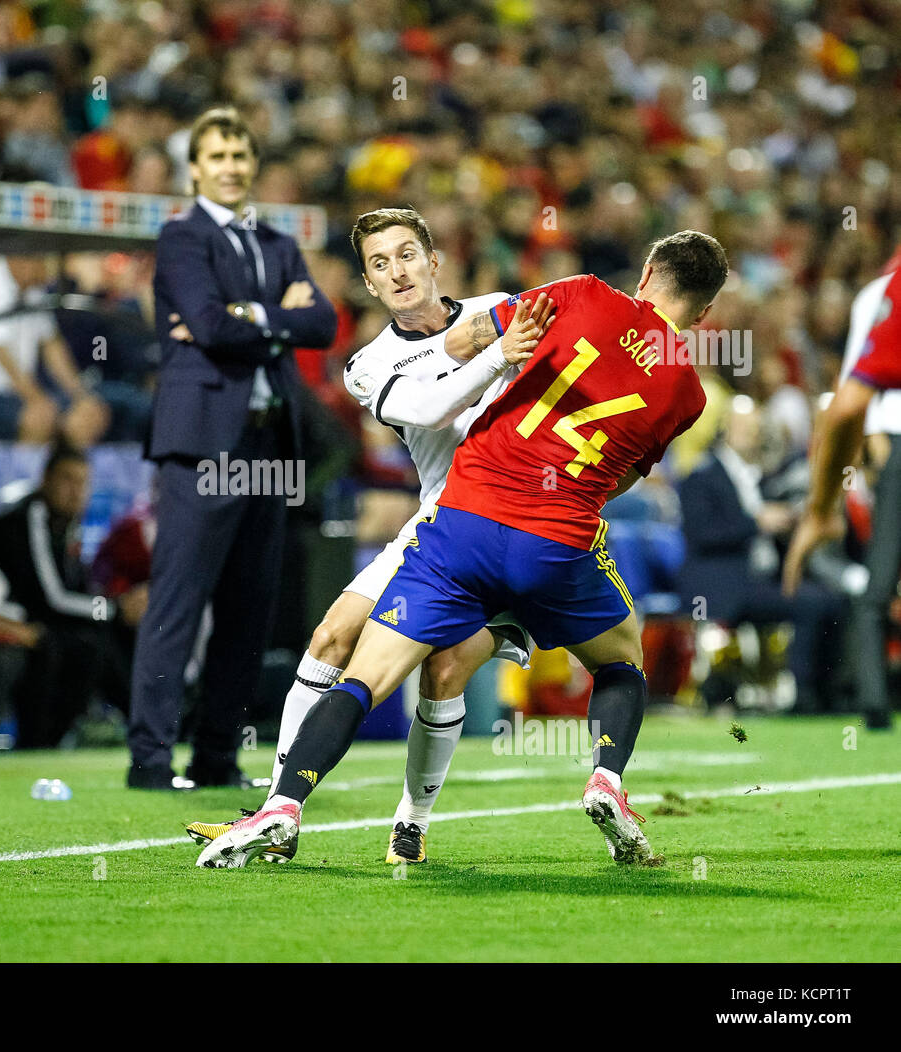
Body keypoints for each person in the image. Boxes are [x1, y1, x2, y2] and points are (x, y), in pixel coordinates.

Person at [199, 230, 729, 868]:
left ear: (646, 271)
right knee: (620, 663)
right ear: (703, 314)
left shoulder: (580, 294)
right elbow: (618, 479)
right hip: (555, 539)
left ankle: (284, 806)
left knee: (365, 676)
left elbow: (468, 341)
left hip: (462, 522)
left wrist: (477, 351)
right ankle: (606, 781)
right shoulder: (688, 394)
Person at [184, 207, 548, 864]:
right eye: (380, 264)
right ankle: (278, 810)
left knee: (442, 669)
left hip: (520, 517)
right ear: (369, 286)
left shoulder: (499, 306)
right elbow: (431, 408)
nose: (397, 271)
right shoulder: (367, 365)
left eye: (407, 254)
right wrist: (486, 350)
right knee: (330, 636)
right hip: (439, 519)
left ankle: (413, 819)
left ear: (435, 261)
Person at [126, 106, 337, 790]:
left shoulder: (275, 241)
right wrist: (277, 319)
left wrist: (253, 318)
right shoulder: (183, 238)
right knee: (179, 603)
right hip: (204, 445)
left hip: (268, 439)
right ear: (194, 169)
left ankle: (216, 755)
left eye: (240, 156)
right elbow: (211, 327)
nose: (230, 167)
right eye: (216, 156)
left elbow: (324, 323)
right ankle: (150, 761)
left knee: (250, 609)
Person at [785, 255, 901, 730]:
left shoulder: (885, 291)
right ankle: (874, 699)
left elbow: (852, 400)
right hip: (889, 440)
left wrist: (820, 507)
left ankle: (874, 703)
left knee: (879, 581)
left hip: (894, 443)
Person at [676, 397, 843, 712]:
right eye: (744, 428)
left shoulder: (757, 477)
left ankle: (827, 688)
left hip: (753, 580)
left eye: (755, 429)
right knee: (811, 602)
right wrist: (757, 523)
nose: (751, 435)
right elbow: (702, 534)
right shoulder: (701, 476)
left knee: (827, 598)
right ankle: (803, 693)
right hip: (719, 584)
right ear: (725, 430)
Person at [0, 445, 139, 747]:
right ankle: (41, 741)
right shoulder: (31, 516)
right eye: (67, 480)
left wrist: (113, 611)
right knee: (83, 645)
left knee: (107, 637)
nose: (76, 491)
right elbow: (51, 597)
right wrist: (115, 609)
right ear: (45, 480)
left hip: (43, 618)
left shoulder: (68, 527)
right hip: (9, 617)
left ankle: (146, 719)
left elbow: (76, 591)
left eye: (83, 482)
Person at [0, 254, 109, 446]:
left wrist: (81, 395)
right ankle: (22, 476)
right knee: (39, 417)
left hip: (11, 395)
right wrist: (37, 400)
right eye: (45, 260)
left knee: (90, 414)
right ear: (22, 259)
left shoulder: (33, 292)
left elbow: (52, 346)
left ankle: (64, 473)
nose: (50, 271)